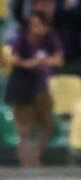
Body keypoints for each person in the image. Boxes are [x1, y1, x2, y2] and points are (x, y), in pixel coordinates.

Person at [7, 11, 62, 167]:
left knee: (48, 125)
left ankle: (35, 156)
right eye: (33, 25)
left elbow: (58, 58)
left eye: (39, 25)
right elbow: (13, 58)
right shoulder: (21, 38)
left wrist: (46, 60)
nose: (36, 29)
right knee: (24, 129)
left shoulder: (50, 38)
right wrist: (28, 63)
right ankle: (26, 162)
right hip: (22, 87)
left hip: (41, 88)